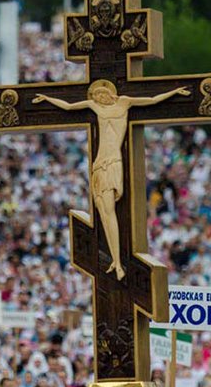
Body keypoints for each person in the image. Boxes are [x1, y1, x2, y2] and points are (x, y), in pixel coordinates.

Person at [32, 80, 190, 279]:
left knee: (109, 211)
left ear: (108, 93)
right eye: (96, 97)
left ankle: (118, 260)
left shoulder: (124, 102)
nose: (99, 99)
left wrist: (174, 91)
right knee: (102, 210)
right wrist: (47, 99)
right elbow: (70, 106)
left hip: (113, 162)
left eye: (100, 95)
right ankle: (115, 260)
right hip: (99, 162)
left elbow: (151, 100)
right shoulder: (94, 106)